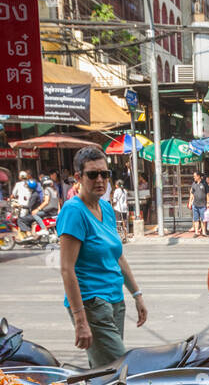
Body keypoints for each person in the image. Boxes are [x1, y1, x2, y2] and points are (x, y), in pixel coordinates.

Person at [58, 146, 148, 367]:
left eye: (105, 174)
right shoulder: (73, 212)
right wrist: (80, 320)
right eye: (92, 174)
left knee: (104, 371)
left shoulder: (106, 208)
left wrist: (137, 294)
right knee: (119, 370)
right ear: (78, 177)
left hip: (115, 301)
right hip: (91, 304)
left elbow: (118, 257)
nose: (100, 180)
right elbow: (66, 269)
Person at [189, 170, 207, 237]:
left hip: (203, 204)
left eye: (195, 176)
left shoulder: (204, 183)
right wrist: (190, 202)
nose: (194, 177)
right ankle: (196, 232)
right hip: (195, 204)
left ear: (199, 176)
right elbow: (192, 193)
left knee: (203, 219)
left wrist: (208, 202)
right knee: (196, 219)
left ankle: (204, 232)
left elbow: (207, 193)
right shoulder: (194, 183)